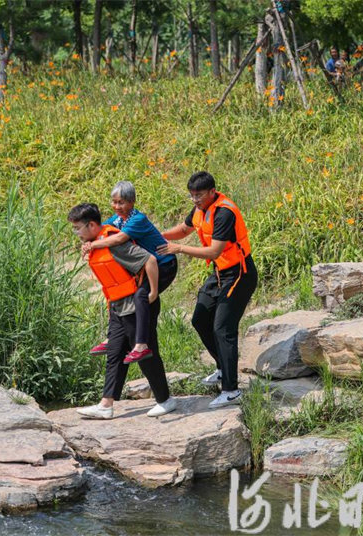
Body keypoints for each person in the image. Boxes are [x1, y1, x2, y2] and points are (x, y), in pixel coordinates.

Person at [157, 171, 257, 409]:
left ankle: (231, 391)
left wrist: (179, 249)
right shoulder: (201, 209)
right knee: (200, 319)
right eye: (192, 195)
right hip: (220, 273)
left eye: (199, 195)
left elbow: (214, 251)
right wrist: (157, 237)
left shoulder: (224, 212)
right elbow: (183, 229)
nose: (195, 200)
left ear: (212, 191)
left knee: (223, 328)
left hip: (239, 274)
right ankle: (222, 368)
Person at [69, 203, 177, 419]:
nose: (76, 233)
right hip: (118, 307)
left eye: (78, 228)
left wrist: (153, 293)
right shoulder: (97, 244)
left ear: (91, 225)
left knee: (146, 354)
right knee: (115, 353)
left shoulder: (114, 244)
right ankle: (106, 405)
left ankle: (165, 400)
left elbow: (150, 260)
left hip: (136, 307)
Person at [81, 181, 178, 364]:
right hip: (147, 266)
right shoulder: (117, 219)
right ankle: (112, 338)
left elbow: (119, 238)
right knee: (119, 292)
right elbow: (102, 231)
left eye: (121, 202)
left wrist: (92, 244)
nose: (117, 206)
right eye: (114, 202)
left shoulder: (137, 219)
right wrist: (87, 242)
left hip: (164, 264)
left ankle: (141, 345)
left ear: (132, 202)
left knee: (141, 295)